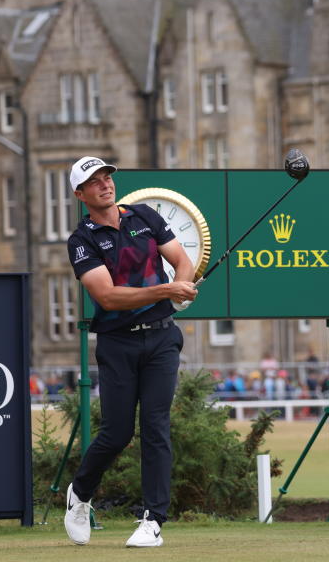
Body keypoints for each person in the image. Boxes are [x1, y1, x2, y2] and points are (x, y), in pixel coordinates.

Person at [62, 156, 198, 548]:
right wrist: (167, 290)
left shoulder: (144, 216)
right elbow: (106, 295)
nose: (105, 184)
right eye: (95, 180)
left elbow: (182, 262)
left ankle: (153, 520)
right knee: (117, 433)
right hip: (118, 343)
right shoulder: (82, 240)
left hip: (161, 339)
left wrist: (183, 289)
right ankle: (80, 494)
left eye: (107, 177)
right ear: (80, 193)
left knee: (155, 427)